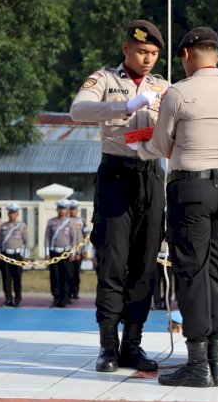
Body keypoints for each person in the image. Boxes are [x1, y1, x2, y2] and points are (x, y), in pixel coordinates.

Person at [133, 26, 218, 388]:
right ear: (216, 54)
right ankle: (215, 363)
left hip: (191, 188)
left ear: (186, 55)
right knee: (216, 274)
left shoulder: (179, 92)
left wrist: (139, 144)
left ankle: (197, 363)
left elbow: (160, 143)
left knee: (192, 273)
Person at [70, 19, 169, 374]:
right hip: (116, 175)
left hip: (151, 177)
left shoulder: (163, 86)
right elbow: (78, 111)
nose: (147, 60)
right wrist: (124, 107)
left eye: (154, 54)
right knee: (113, 263)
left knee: (144, 265)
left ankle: (133, 344)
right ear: (126, 48)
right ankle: (108, 346)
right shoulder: (105, 80)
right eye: (142, 51)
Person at [44, 199, 82, 308]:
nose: (62, 211)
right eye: (60, 208)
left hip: (66, 253)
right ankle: (56, 298)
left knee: (66, 276)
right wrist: (47, 254)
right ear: (57, 209)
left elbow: (74, 239)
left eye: (64, 209)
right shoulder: (51, 222)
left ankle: (64, 300)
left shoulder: (71, 222)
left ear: (67, 210)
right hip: (54, 252)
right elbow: (47, 238)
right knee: (55, 276)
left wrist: (73, 254)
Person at [0, 203, 29, 308]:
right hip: (5, 255)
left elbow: (26, 241)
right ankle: (8, 299)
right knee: (6, 278)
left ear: (17, 214)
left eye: (13, 213)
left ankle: (17, 299)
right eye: (10, 213)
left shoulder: (22, 226)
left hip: (17, 255)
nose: (11, 215)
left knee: (17, 278)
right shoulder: (3, 226)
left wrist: (25, 256)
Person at [68, 200, 87, 300]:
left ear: (77, 210)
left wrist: (85, 250)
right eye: (71, 209)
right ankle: (68, 291)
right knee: (68, 272)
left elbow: (86, 236)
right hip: (68, 252)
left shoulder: (82, 221)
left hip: (79, 252)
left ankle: (75, 291)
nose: (72, 211)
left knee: (76, 272)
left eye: (74, 209)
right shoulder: (66, 221)